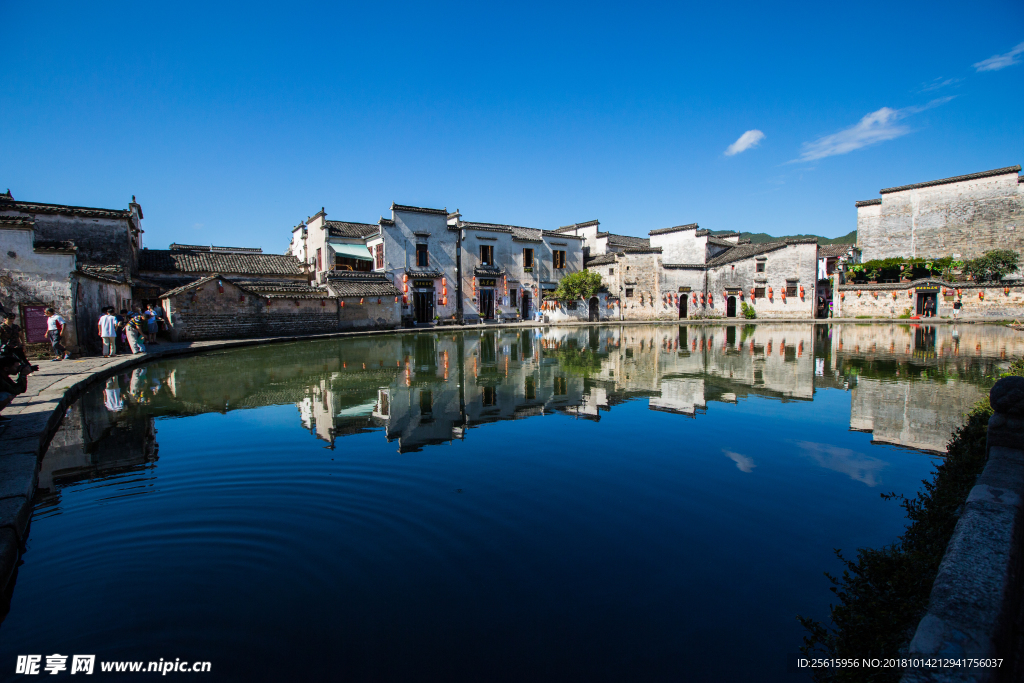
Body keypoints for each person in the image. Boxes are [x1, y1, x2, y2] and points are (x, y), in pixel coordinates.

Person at [0, 354, 29, 422]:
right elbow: (15, 390)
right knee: (6, 395)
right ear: (6, 368)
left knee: (8, 394)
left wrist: (23, 376)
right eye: (16, 367)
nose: (18, 369)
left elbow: (20, 389)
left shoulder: (4, 376)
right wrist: (23, 375)